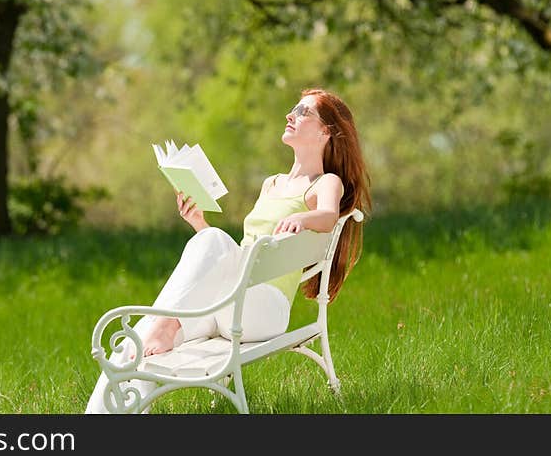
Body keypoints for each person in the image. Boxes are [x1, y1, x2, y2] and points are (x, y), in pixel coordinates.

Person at [84, 88, 371, 413]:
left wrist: (304, 217)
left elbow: (330, 216)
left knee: (207, 255)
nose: (290, 115)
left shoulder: (325, 182)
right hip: (231, 303)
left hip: (263, 310)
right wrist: (199, 223)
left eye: (302, 112)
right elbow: (233, 260)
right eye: (293, 109)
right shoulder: (271, 184)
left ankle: (167, 325)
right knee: (138, 342)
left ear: (325, 131)